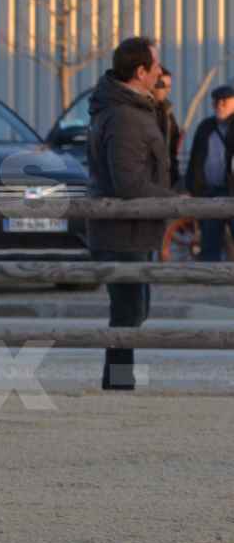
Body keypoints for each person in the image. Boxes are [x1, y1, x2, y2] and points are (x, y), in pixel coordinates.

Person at [86, 36, 177, 391]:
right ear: (140, 71)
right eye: (154, 66)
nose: (159, 71)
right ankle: (119, 383)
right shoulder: (125, 117)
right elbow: (128, 183)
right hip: (123, 231)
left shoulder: (136, 109)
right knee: (128, 311)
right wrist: (175, 201)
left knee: (133, 310)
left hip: (133, 229)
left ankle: (119, 380)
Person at [184, 83, 234, 261]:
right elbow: (195, 161)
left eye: (224, 101)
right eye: (216, 102)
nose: (220, 105)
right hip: (210, 193)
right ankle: (209, 282)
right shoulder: (205, 127)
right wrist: (191, 188)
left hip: (232, 193)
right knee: (210, 243)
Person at [152, 67, 184, 189]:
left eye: (169, 86)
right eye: (161, 85)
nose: (166, 90)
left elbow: (171, 149)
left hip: (167, 177)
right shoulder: (143, 111)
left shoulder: (167, 112)